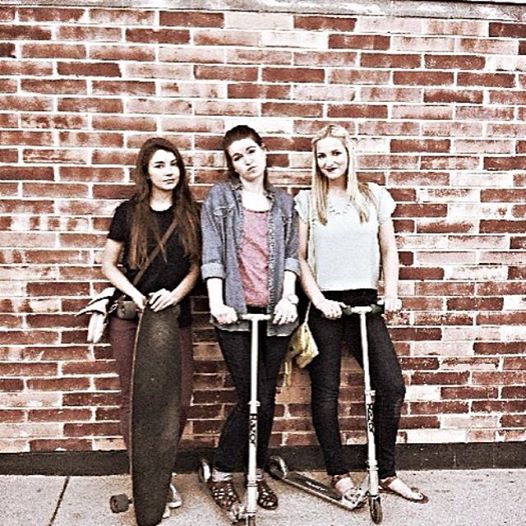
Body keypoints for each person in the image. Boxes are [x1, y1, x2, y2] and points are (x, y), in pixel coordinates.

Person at [295, 124, 428, 504]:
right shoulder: (308, 201)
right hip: (325, 305)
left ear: (349, 154)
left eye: (335, 153)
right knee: (326, 392)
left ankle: (386, 473)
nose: (329, 161)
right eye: (322, 155)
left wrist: (392, 293)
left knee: (391, 386)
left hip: (366, 304)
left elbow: (389, 250)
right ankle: (338, 473)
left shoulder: (374, 197)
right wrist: (318, 300)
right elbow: (299, 257)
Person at [200, 125, 300, 512]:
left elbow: (291, 255)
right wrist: (216, 302)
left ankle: (255, 473)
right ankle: (223, 472)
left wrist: (289, 297)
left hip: (276, 314)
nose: (246, 161)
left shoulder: (284, 203)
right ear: (232, 165)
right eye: (237, 158)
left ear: (264, 150)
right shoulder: (220, 198)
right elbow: (212, 254)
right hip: (235, 314)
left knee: (266, 398)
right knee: (251, 397)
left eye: (250, 152)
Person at [101, 137, 200, 518]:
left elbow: (196, 268)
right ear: (146, 171)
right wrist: (137, 295)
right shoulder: (128, 213)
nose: (168, 171)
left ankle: (161, 474)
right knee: (135, 401)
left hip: (174, 319)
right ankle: (146, 482)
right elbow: (109, 265)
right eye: (159, 165)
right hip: (133, 320)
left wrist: (174, 296)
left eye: (173, 164)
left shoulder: (192, 213)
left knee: (179, 400)